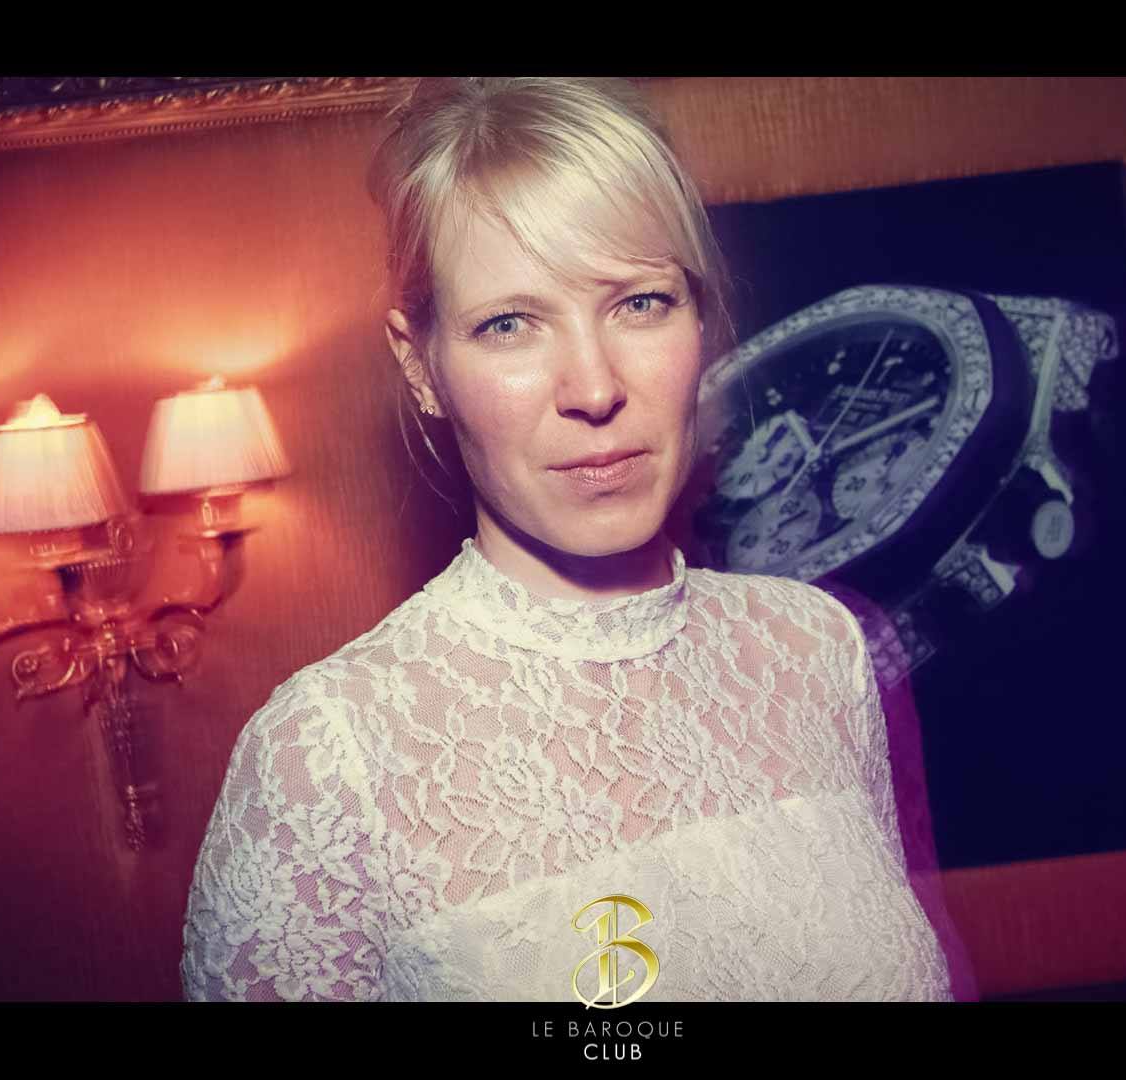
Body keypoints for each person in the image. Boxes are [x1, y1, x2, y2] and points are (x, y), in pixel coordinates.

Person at [180, 77, 956, 1002]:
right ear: (420, 366)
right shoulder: (327, 758)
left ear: (701, 319)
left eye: (640, 303)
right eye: (509, 324)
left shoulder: (816, 649)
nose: (593, 387)